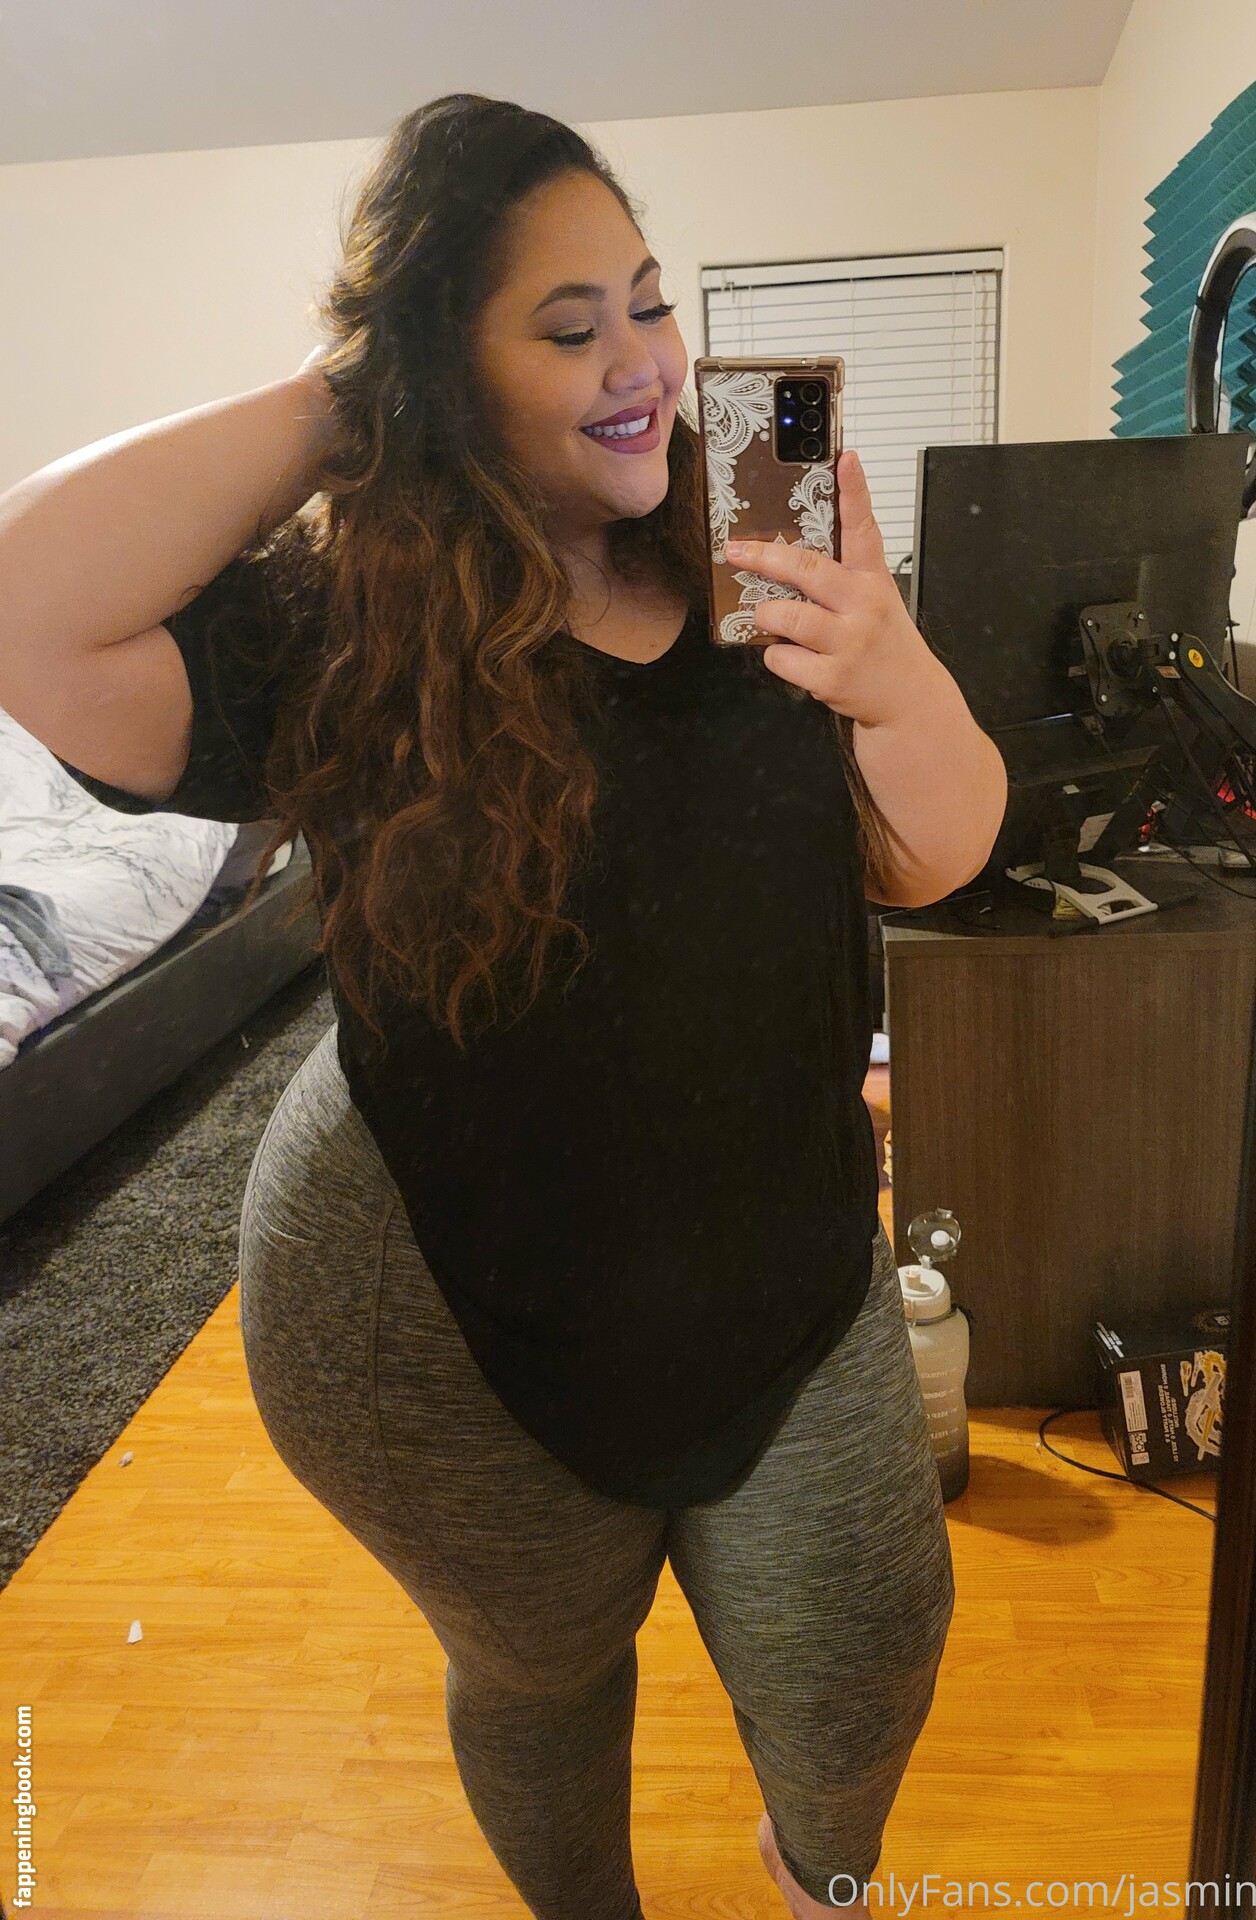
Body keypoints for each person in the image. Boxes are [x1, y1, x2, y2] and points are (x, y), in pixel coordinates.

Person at [0, 94, 1006, 1920]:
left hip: (782, 1263)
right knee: (543, 1675)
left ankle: (823, 1883)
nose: (642, 362)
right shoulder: (351, 638)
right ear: (443, 373)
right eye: (566, 327)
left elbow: (936, 858)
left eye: (650, 301)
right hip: (435, 1313)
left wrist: (896, 672)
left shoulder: (767, 563)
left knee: (863, 1652)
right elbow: (26, 601)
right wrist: (356, 395)